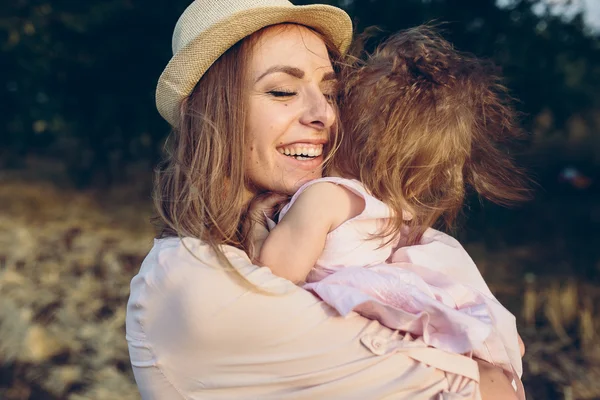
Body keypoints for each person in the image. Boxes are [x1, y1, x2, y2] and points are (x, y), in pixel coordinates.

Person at [126, 0, 517, 398]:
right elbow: (491, 389)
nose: (324, 115)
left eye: (330, 93)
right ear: (207, 111)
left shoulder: (347, 217)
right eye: (283, 91)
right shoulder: (192, 283)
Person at [246, 27, 529, 399]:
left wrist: (254, 224)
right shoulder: (389, 209)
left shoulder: (325, 197)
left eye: (336, 101)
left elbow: (273, 276)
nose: (325, 117)